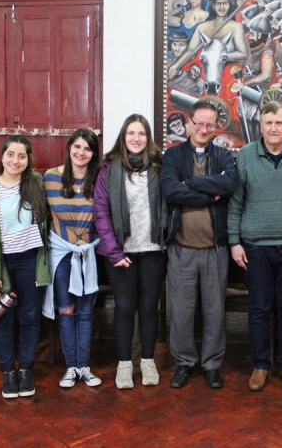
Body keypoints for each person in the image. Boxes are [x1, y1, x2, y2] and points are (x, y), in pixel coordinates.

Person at [228, 101, 282, 392]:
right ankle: (261, 365)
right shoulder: (246, 156)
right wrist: (234, 242)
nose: (273, 128)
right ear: (260, 126)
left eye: (279, 123)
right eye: (268, 123)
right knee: (259, 308)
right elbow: (236, 201)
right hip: (255, 247)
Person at [160, 101, 237, 389]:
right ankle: (184, 363)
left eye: (210, 125)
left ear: (216, 127)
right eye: (199, 123)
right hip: (181, 247)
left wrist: (188, 185)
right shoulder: (172, 155)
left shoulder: (224, 156)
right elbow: (170, 190)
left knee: (215, 310)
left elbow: (229, 185)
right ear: (190, 122)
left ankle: (212, 365)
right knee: (181, 310)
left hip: (215, 249)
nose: (204, 129)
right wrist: (208, 190)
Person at [0, 135, 50, 399]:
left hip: (30, 260)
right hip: (1, 263)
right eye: (11, 154)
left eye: (22, 156)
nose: (15, 160)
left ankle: (26, 369)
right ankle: (7, 371)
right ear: (2, 156)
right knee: (2, 317)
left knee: (29, 315)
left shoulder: (36, 183)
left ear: (28, 161)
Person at [94, 114, 167, 389]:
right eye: (131, 134)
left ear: (148, 138)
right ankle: (124, 364)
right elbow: (100, 211)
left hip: (153, 249)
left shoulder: (159, 167)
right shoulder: (109, 169)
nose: (136, 138)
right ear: (123, 138)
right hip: (120, 252)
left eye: (141, 134)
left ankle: (147, 361)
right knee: (124, 308)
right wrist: (113, 251)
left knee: (149, 308)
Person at [42, 129, 103, 389]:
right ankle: (71, 367)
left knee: (86, 311)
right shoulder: (50, 178)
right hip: (61, 252)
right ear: (69, 148)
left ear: (93, 153)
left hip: (89, 252)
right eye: (77, 147)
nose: (81, 152)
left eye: (87, 149)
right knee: (65, 310)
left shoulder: (100, 178)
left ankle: (84, 366)